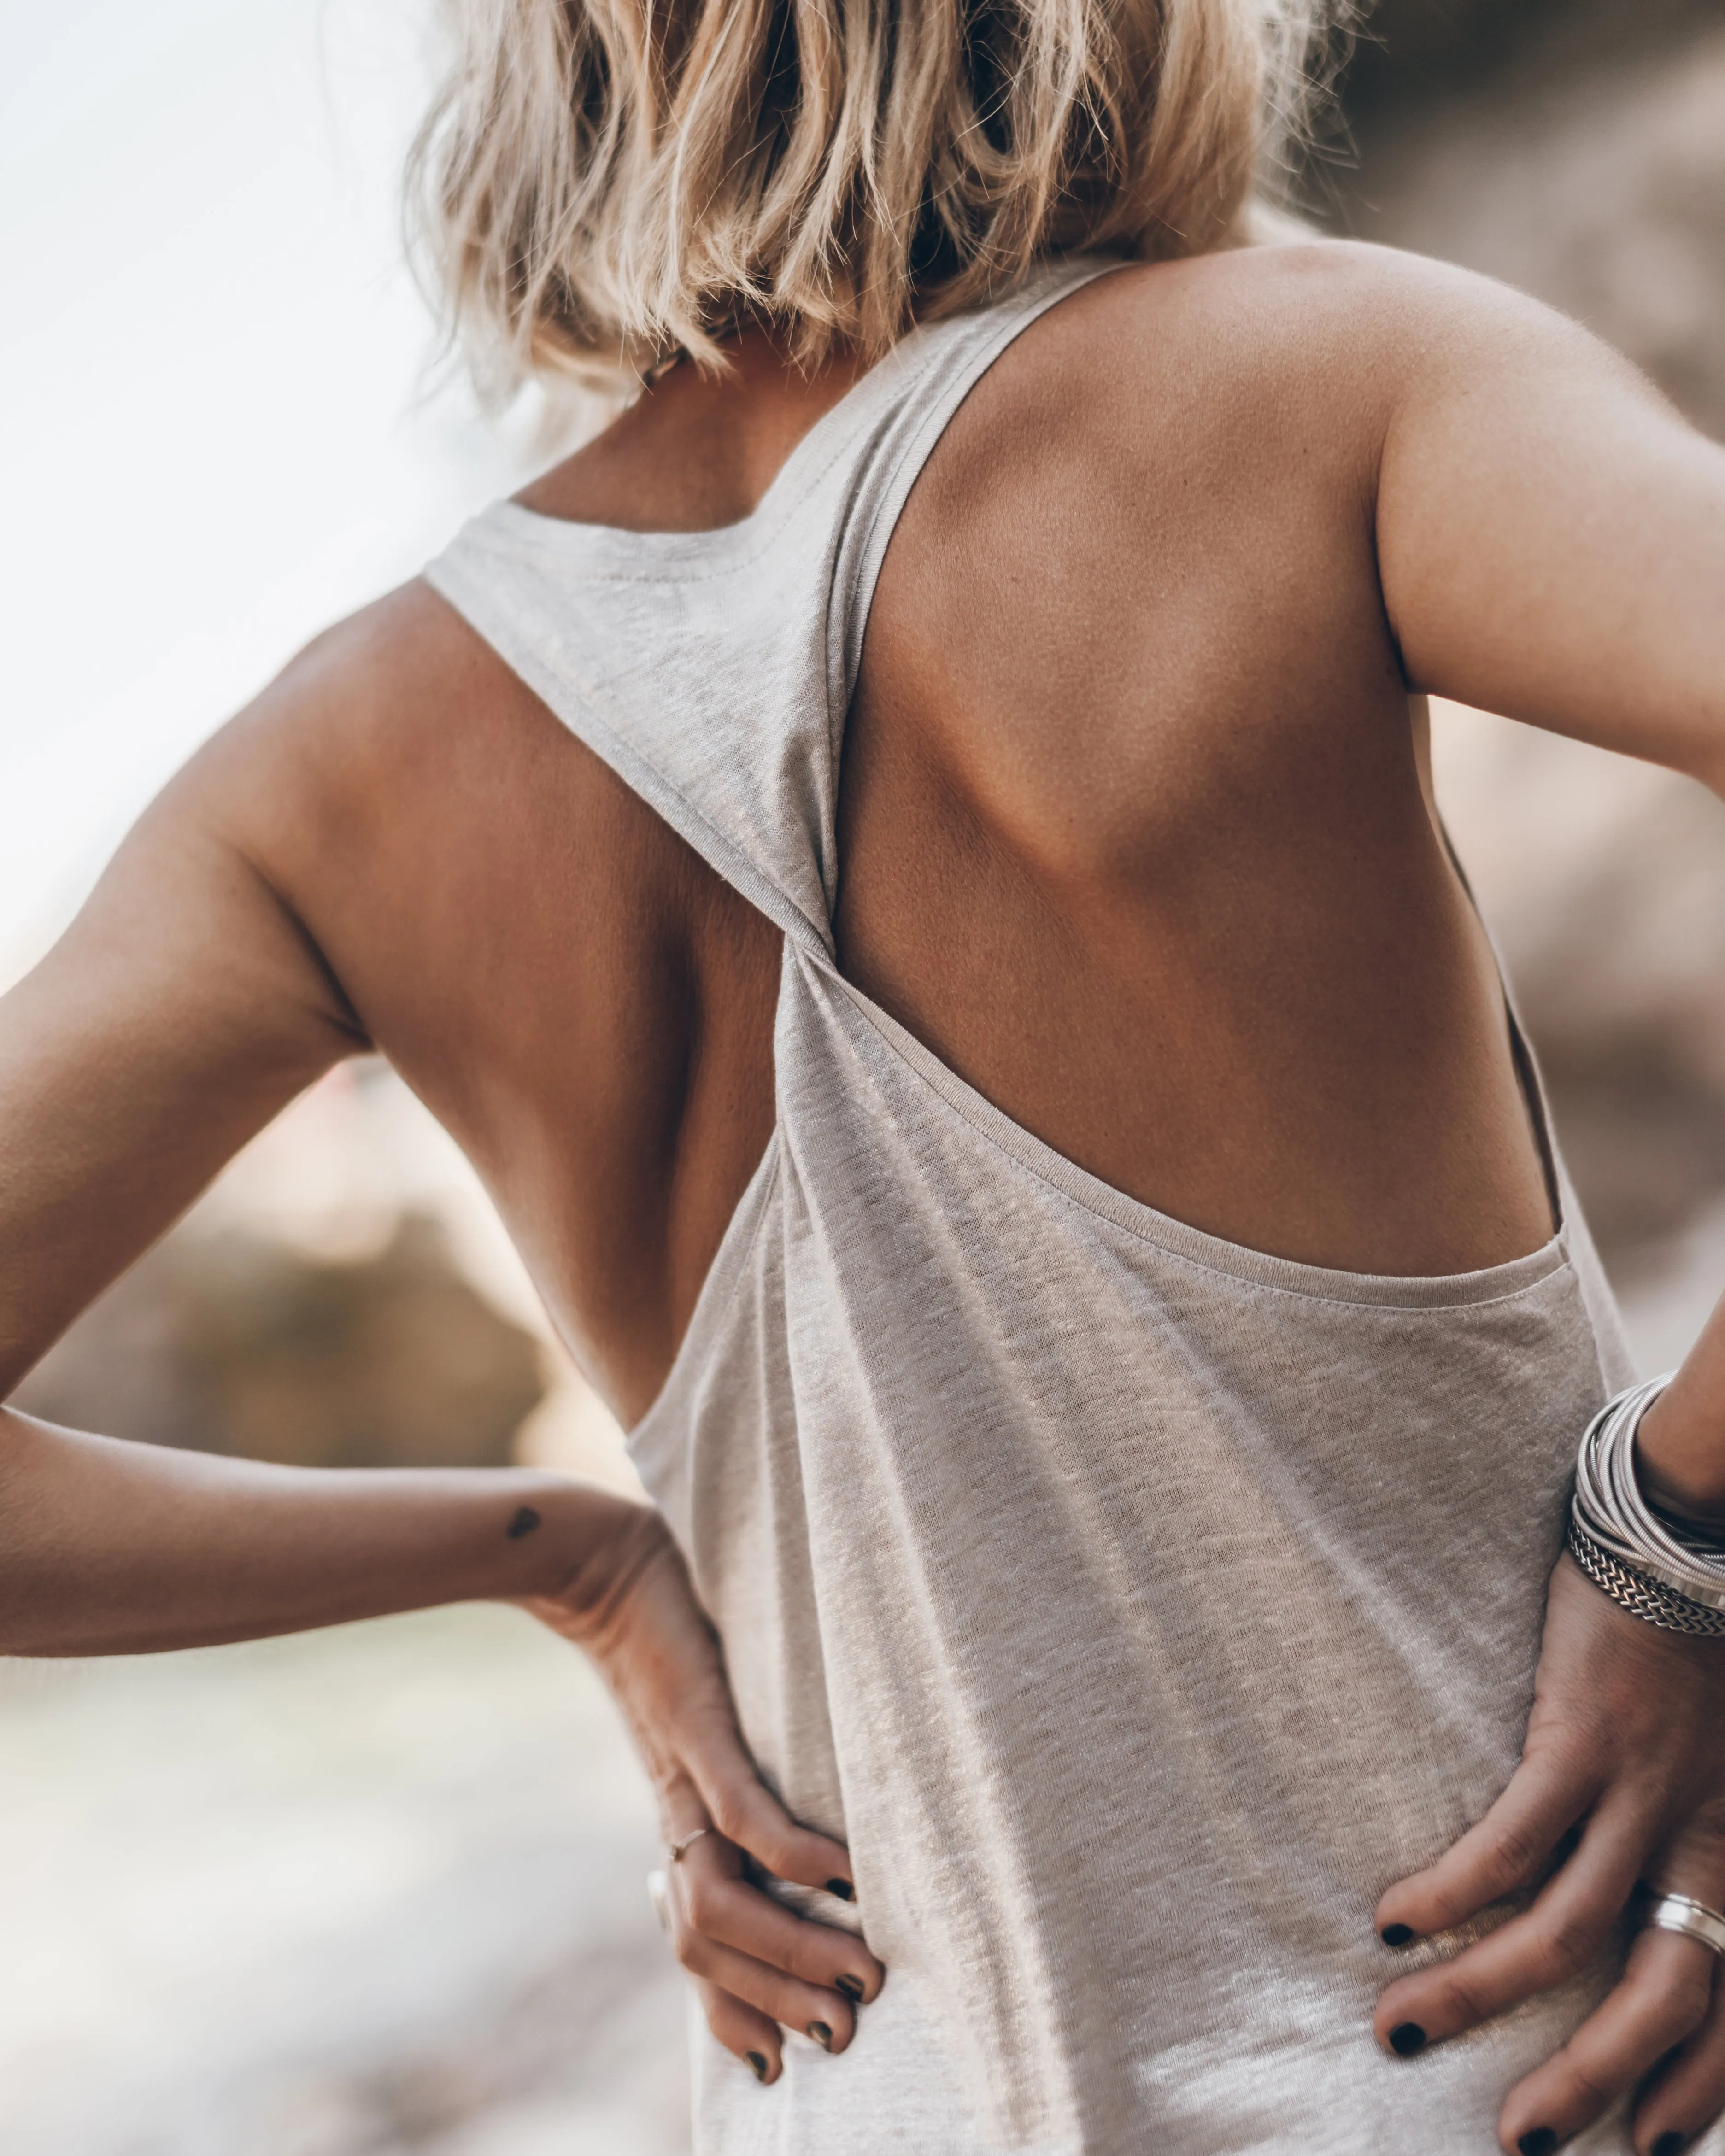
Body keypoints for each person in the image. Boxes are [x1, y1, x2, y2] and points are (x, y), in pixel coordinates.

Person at [4, 0, 1725, 2148]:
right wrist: (1681, 1542)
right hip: (1536, 2062)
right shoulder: (1324, 390)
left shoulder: (324, 777)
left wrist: (571, 1556)